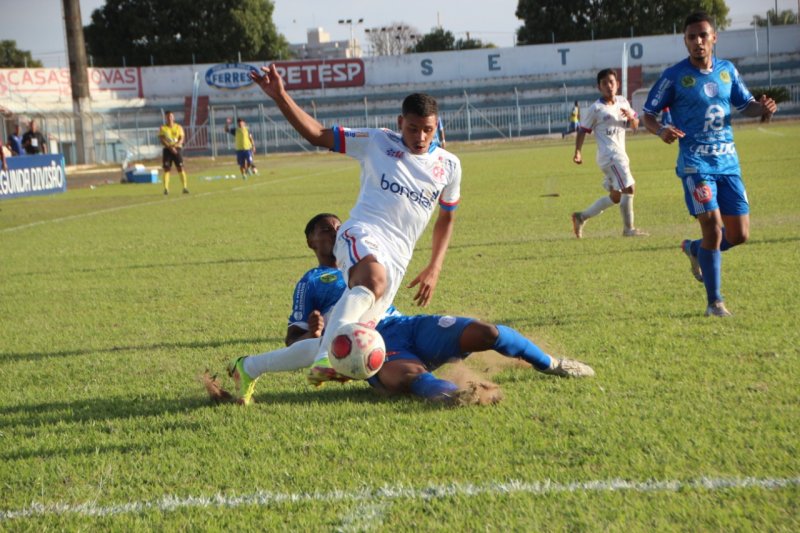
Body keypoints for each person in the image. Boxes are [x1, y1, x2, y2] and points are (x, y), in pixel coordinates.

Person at [226, 213, 595, 406]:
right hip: (369, 349)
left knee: (487, 333)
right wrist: (313, 329)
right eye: (325, 229)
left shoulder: (359, 259)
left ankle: (552, 364)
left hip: (405, 325)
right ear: (310, 240)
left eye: (339, 226)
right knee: (410, 378)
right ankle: (460, 394)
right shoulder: (311, 281)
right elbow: (293, 339)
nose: (335, 231)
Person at [249, 65, 462, 385]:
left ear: (436, 127)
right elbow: (318, 134)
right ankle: (326, 360)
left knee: (347, 333)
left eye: (427, 130)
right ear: (400, 123)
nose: (419, 137)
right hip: (361, 234)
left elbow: (447, 217)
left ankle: (248, 367)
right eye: (413, 128)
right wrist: (280, 95)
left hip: (398, 259)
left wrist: (435, 266)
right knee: (369, 283)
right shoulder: (377, 141)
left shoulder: (449, 165)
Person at [642, 12, 777, 317]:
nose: (698, 42)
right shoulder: (674, 76)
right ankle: (715, 302)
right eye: (692, 37)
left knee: (739, 234)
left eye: (703, 35)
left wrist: (763, 109)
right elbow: (648, 114)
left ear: (714, 37)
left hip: (728, 163)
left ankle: (694, 249)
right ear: (685, 41)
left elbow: (746, 105)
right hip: (695, 164)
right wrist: (661, 130)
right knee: (713, 229)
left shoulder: (728, 71)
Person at [571, 69, 648, 238]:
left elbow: (635, 125)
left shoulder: (622, 102)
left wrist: (632, 118)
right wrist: (578, 152)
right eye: (604, 83)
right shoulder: (596, 109)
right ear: (599, 87)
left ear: (617, 84)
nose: (609, 86)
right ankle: (629, 230)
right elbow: (583, 131)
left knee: (616, 196)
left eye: (611, 82)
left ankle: (580, 217)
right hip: (609, 156)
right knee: (630, 187)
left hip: (620, 155)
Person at [158, 110, 189, 195]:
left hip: (177, 149)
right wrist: (170, 147)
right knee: (167, 169)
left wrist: (175, 146)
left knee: (180, 168)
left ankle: (185, 187)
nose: (170, 118)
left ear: (173, 117)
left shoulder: (179, 127)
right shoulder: (163, 128)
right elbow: (162, 139)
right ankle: (166, 188)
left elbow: (181, 138)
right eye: (168, 117)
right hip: (167, 150)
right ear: (166, 118)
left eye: (171, 116)